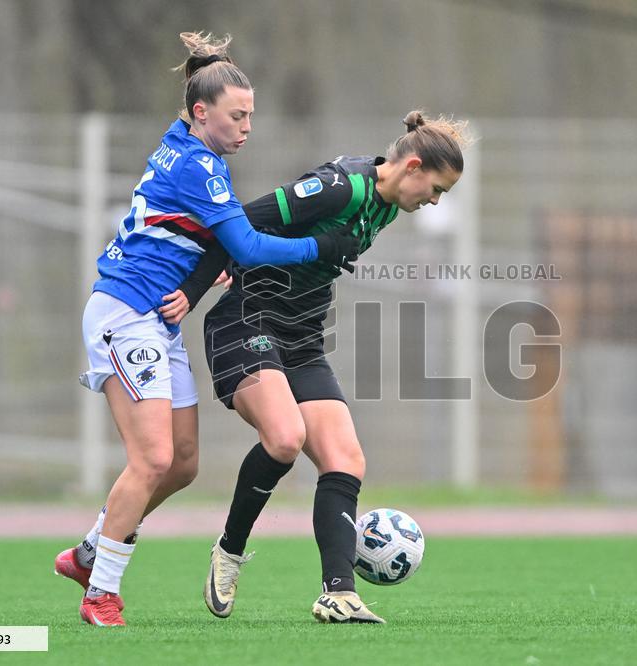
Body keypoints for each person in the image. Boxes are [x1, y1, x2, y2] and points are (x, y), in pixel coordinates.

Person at [53, 31, 360, 627]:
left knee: (184, 462)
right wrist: (318, 246)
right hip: (126, 310)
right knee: (152, 457)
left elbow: (213, 234)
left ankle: (93, 550)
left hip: (155, 316)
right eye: (236, 115)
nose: (247, 127)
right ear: (201, 113)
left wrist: (196, 273)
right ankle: (101, 592)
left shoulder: (185, 145)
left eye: (251, 116)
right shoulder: (199, 165)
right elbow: (242, 241)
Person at [174, 110, 472, 624]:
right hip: (247, 321)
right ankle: (229, 550)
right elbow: (240, 219)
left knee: (345, 459)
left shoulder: (388, 206)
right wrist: (193, 291)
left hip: (303, 337)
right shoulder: (339, 189)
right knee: (285, 439)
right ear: (414, 167)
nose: (435, 201)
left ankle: (339, 593)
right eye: (437, 189)